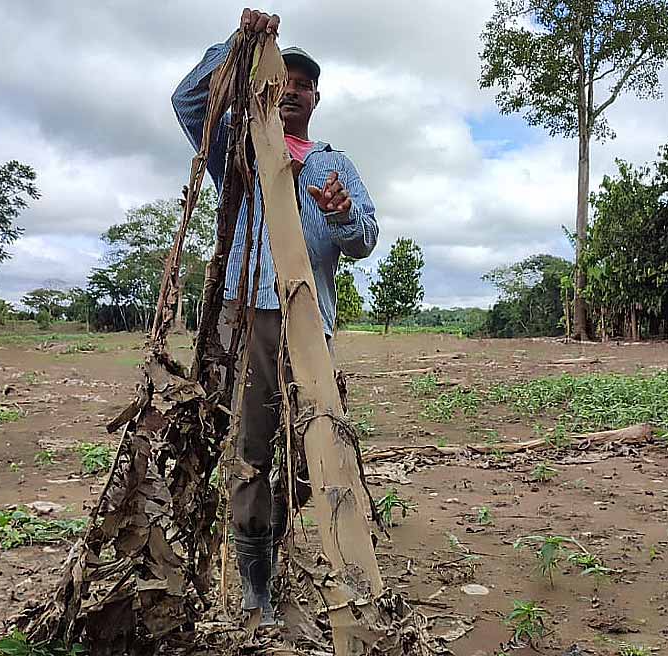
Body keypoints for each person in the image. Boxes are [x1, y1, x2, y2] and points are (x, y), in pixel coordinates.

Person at [172, 8, 379, 625]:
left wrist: (341, 213)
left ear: (316, 97)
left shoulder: (333, 165)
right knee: (251, 446)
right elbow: (187, 103)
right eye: (281, 81)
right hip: (250, 317)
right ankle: (257, 585)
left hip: (310, 324)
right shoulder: (241, 147)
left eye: (303, 85)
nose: (291, 91)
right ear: (266, 85)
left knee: (311, 444)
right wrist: (237, 47)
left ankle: (281, 543)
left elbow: (366, 236)